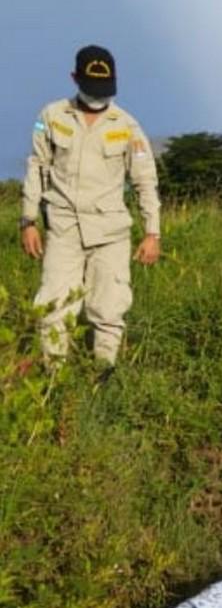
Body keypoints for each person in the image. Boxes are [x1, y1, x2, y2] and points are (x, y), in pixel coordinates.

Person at [20, 44, 160, 371]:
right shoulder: (51, 117)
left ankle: (103, 377)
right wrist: (27, 221)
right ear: (74, 78)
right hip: (63, 228)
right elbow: (37, 167)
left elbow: (145, 181)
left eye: (104, 89)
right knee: (54, 307)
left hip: (110, 232)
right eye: (91, 88)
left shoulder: (126, 125)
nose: (98, 96)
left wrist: (153, 232)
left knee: (109, 309)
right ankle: (54, 379)